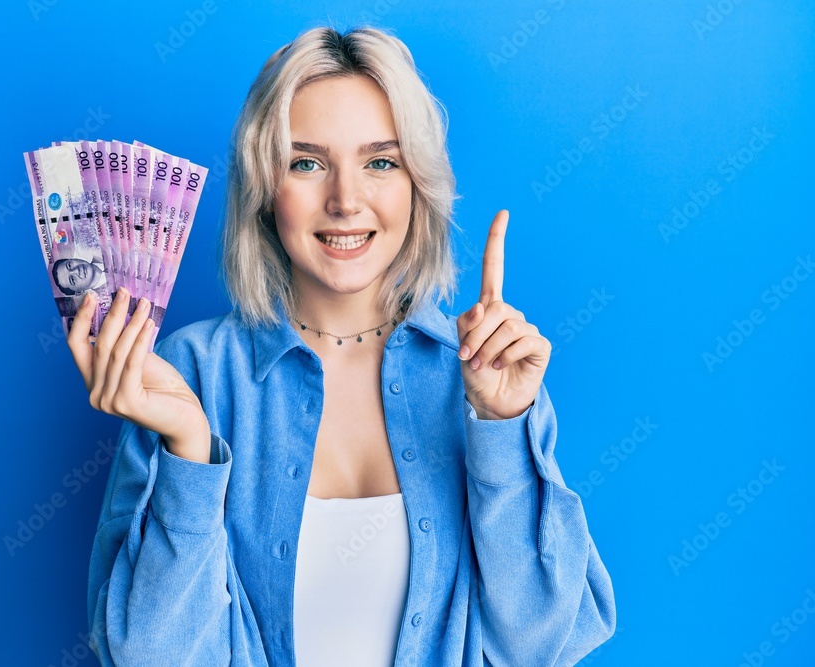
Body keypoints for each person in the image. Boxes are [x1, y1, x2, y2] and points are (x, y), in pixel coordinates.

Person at [68, 26, 616, 667]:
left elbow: (540, 645)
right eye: (306, 162)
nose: (346, 200)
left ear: (419, 185)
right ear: (265, 191)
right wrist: (189, 451)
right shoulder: (188, 374)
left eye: (380, 162)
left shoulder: (489, 376)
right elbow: (149, 657)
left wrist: (501, 430)